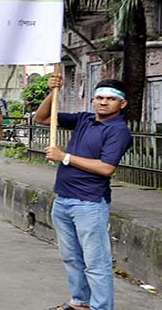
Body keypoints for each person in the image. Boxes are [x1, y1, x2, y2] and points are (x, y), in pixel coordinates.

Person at [34, 76, 132, 310]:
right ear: (92, 100)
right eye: (99, 97)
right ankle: (80, 302)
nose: (103, 102)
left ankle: (101, 307)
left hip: (89, 204)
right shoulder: (84, 119)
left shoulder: (118, 131)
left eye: (110, 99)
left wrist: (64, 157)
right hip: (63, 200)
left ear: (122, 104)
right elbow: (42, 118)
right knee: (72, 258)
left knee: (96, 263)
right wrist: (53, 91)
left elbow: (107, 168)